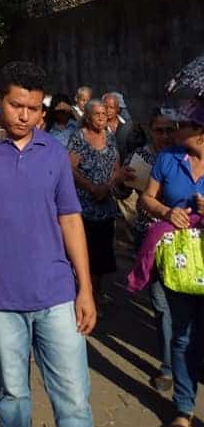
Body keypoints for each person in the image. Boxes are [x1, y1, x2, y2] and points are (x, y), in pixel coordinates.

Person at [0, 61, 95, 427]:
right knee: (12, 398)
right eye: (15, 106)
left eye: (32, 108)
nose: (23, 116)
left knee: (74, 402)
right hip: (0, 298)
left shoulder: (54, 153)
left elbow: (71, 220)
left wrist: (86, 289)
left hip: (57, 294)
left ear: (41, 110)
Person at [139, 60, 204, 427]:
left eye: (185, 126)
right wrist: (166, 210)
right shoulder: (167, 158)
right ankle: (183, 408)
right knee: (182, 335)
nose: (176, 130)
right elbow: (148, 199)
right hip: (179, 260)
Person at [118, 110, 177, 392]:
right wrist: (121, 179)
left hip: (183, 240)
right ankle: (168, 366)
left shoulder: (184, 156)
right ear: (151, 131)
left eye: (169, 130)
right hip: (149, 239)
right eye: (159, 130)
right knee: (161, 303)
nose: (164, 136)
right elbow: (122, 193)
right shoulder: (141, 156)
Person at [68, 99, 120, 302]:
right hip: (84, 207)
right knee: (84, 254)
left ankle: (96, 294)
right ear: (87, 117)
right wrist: (92, 188)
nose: (101, 117)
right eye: (96, 114)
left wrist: (106, 187)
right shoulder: (78, 138)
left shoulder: (111, 137)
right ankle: (84, 294)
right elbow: (70, 168)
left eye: (104, 114)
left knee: (101, 256)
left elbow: (117, 166)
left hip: (105, 206)